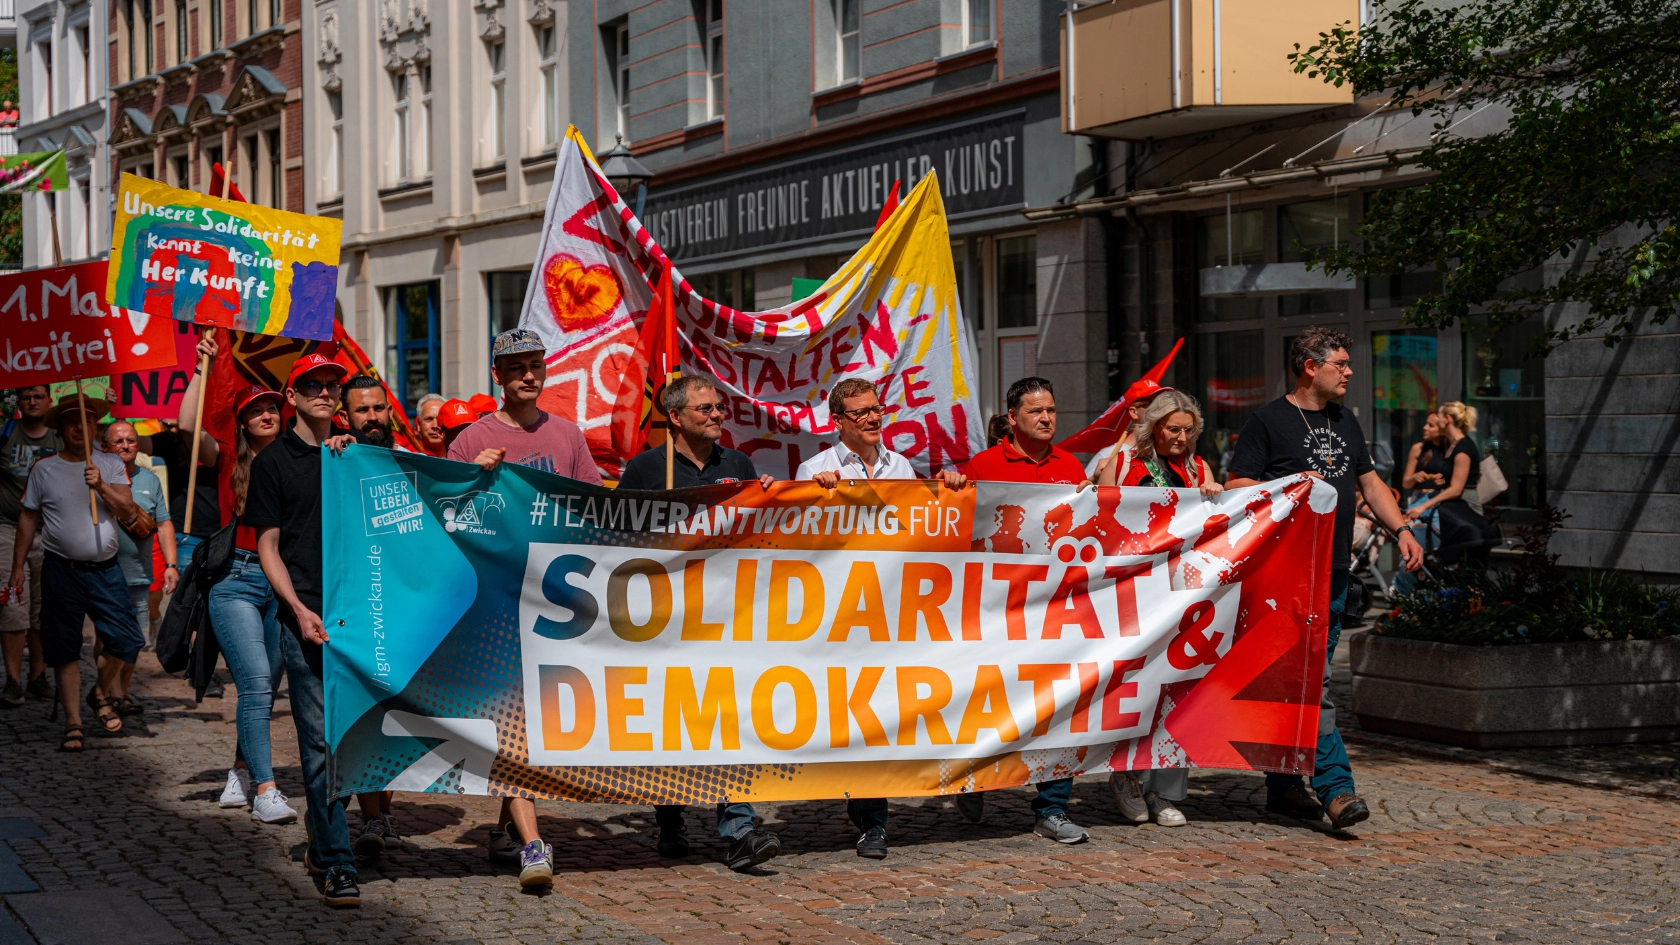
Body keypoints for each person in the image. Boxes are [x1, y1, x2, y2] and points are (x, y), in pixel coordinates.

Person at [1224, 327, 1422, 830]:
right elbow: (1238, 486)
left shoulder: (1346, 420)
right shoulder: (1268, 421)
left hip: (1333, 573)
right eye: (1341, 362)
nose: (1350, 371)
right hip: (1283, 576)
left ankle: (1284, 786)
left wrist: (1399, 528)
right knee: (1313, 682)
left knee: (1300, 681)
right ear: (1310, 367)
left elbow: (1369, 482)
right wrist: (1291, 484)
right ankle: (1336, 788)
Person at [448, 329, 601, 889]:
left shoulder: (566, 434)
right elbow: (446, 519)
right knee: (514, 725)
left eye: (535, 366)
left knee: (538, 724)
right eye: (516, 368)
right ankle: (534, 846)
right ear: (498, 375)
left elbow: (594, 504)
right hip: (496, 606)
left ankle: (506, 827)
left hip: (558, 605)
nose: (528, 376)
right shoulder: (470, 439)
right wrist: (471, 480)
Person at [796, 376, 967, 858]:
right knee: (851, 710)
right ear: (838, 422)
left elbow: (919, 526)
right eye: (861, 412)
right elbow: (800, 542)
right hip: (840, 614)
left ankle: (875, 818)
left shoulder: (902, 466)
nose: (874, 418)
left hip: (892, 611)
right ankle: (865, 804)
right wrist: (814, 495)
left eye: (878, 409)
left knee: (883, 713)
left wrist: (946, 490)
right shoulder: (815, 467)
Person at [617, 374, 781, 869]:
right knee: (674, 722)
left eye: (718, 408)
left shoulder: (739, 464)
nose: (716, 415)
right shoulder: (646, 469)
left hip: (726, 617)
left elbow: (759, 534)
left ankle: (740, 829)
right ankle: (669, 816)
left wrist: (769, 497)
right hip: (666, 618)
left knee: (729, 719)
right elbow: (617, 537)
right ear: (676, 417)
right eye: (705, 409)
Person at [244, 352, 362, 907]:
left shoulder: (352, 455)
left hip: (361, 617)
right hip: (306, 618)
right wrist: (295, 609)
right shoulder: (272, 462)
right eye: (310, 385)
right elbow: (268, 546)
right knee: (316, 743)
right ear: (291, 397)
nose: (323, 392)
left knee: (353, 737)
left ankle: (323, 841)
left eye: (330, 385)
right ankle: (339, 860)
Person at [961, 376, 1093, 845]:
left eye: (1052, 411)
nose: (1046, 419)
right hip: (995, 611)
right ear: (1012, 418)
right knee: (990, 704)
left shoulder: (1069, 466)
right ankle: (971, 777)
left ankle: (1051, 808)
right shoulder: (983, 464)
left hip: (1053, 612)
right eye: (1037, 411)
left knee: (1058, 708)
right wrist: (950, 488)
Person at [1105, 390, 1222, 829]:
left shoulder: (1199, 467)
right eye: (1173, 429)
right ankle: (1127, 777)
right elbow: (1101, 515)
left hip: (1185, 594)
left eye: (1189, 430)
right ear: (1153, 426)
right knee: (1134, 688)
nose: (1181, 437)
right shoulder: (1125, 463)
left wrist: (1215, 493)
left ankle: (1166, 790)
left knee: (1181, 689)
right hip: (1136, 590)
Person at [8, 394, 145, 751]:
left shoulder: (111, 465)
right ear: (61, 429)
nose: (77, 428)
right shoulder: (44, 469)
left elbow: (127, 509)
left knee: (127, 640)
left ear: (94, 428)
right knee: (63, 649)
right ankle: (73, 722)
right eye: (70, 422)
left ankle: (100, 691)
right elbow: (28, 518)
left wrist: (100, 484)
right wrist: (17, 567)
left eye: (84, 421)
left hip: (105, 571)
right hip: (61, 570)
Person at [337, 375, 406, 853]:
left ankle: (382, 812)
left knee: (394, 713)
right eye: (362, 411)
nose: (372, 418)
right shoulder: (335, 457)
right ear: (347, 417)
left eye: (378, 408)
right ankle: (370, 817)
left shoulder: (410, 463)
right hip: (351, 607)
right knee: (359, 713)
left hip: (401, 603)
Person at [102, 421, 179, 709]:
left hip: (139, 574)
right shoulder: (95, 479)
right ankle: (106, 693)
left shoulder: (150, 480)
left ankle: (120, 692)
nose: (125, 446)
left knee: (133, 639)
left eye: (131, 441)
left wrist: (171, 563)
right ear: (105, 447)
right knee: (106, 635)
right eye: (118, 441)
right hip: (103, 573)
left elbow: (163, 522)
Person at [0, 385, 62, 707]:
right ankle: (13, 681)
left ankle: (39, 677)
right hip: (8, 531)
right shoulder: (5, 433)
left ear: (49, 400)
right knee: (12, 605)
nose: (33, 401)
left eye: (39, 396)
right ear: (18, 402)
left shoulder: (60, 436)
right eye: (27, 396)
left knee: (43, 608)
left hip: (51, 534)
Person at [1405, 401, 1497, 565]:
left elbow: (1456, 489)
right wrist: (1443, 478)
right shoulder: (1453, 446)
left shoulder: (1463, 449)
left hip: (1466, 509)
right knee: (1457, 561)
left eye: (1439, 416)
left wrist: (1424, 506)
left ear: (1447, 419)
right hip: (1456, 510)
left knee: (1470, 562)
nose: (1437, 420)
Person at [1090, 379, 1170, 485]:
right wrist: (1095, 478)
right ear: (1133, 412)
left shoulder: (1171, 449)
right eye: (1152, 404)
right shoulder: (1107, 454)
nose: (1161, 409)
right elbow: (1082, 496)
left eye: (1163, 404)